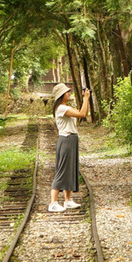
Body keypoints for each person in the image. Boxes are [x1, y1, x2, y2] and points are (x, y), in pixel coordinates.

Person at [49, 83, 90, 213]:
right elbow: (82, 114)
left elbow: (84, 112)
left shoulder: (66, 107)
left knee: (71, 170)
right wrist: (86, 98)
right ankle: (53, 203)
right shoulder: (61, 108)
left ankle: (68, 201)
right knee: (62, 171)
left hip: (72, 139)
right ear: (61, 95)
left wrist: (86, 99)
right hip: (66, 139)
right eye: (67, 92)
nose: (69, 93)